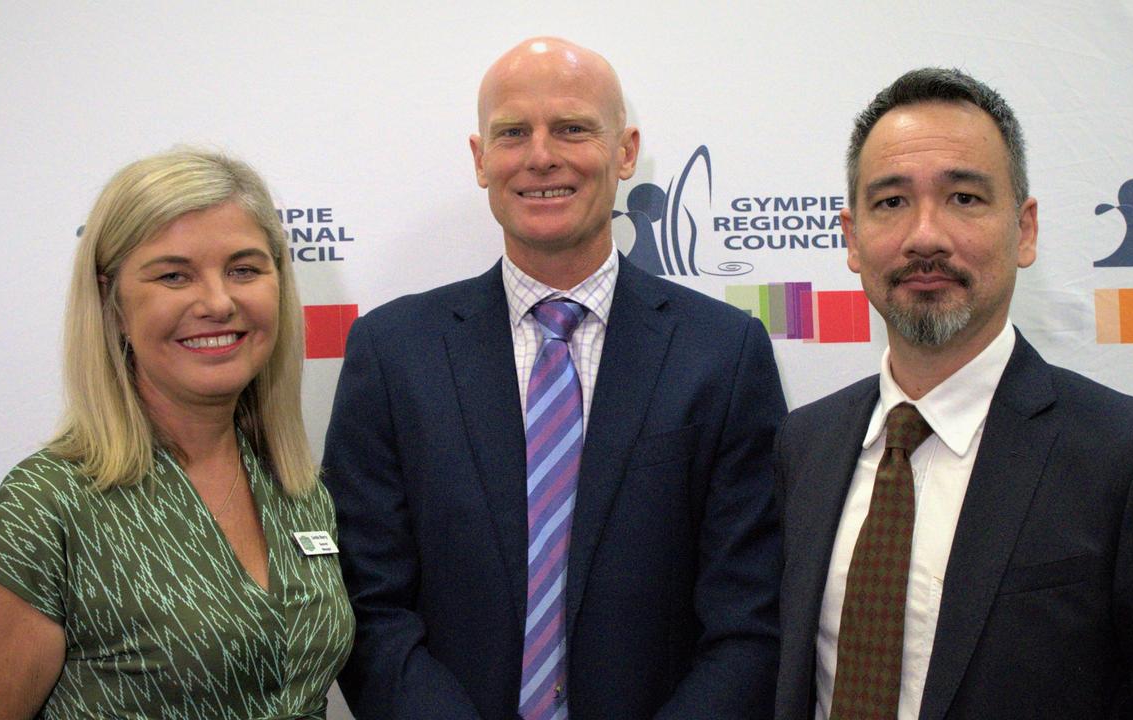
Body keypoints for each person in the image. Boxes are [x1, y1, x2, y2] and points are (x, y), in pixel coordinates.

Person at [324, 37, 786, 719]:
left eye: (571, 128)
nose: (541, 155)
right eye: (513, 133)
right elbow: (368, 604)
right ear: (482, 160)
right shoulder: (393, 355)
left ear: (626, 151)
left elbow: (750, 617)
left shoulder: (723, 354)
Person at [774, 67, 1133, 720]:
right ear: (851, 236)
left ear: (1027, 229)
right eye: (891, 202)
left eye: (964, 198)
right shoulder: (801, 446)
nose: (925, 236)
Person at [0, 149, 354, 719]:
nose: (217, 302)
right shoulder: (45, 512)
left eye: (244, 269)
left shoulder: (297, 488)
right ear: (112, 302)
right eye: (173, 275)